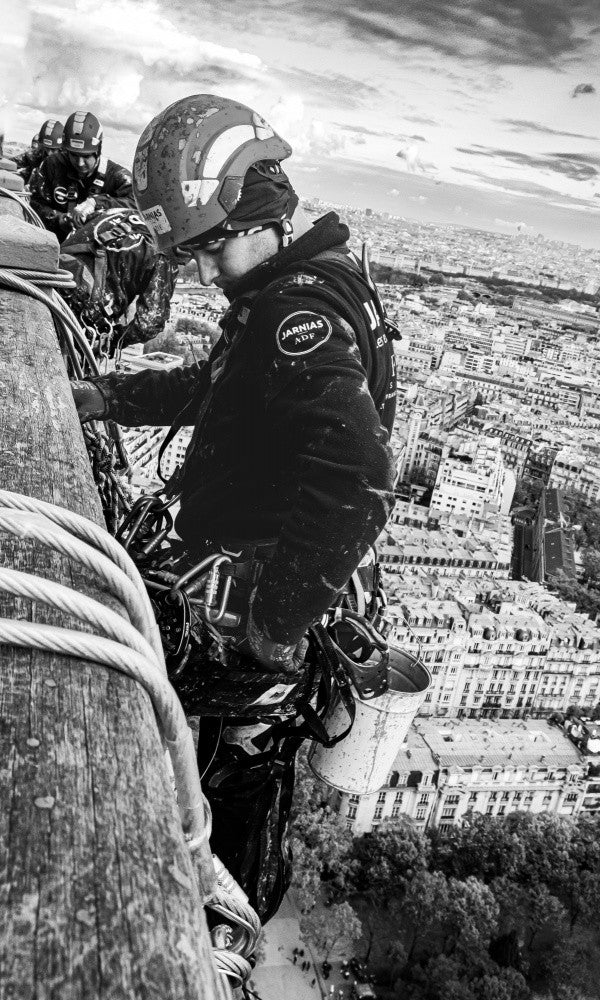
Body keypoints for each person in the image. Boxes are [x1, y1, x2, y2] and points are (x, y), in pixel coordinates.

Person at [70, 94, 397, 921]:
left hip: (250, 603)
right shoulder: (287, 295)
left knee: (208, 776)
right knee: (212, 773)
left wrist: (275, 620)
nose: (207, 273)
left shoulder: (295, 317)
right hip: (256, 583)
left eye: (214, 248)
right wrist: (106, 397)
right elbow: (210, 390)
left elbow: (357, 472)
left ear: (259, 218)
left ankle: (212, 933)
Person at [59, 207, 177, 353]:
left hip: (54, 274)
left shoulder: (122, 212)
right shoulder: (164, 254)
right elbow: (149, 324)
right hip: (77, 313)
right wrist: (113, 340)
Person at [30, 111, 134, 241]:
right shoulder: (52, 165)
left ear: (98, 150)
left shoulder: (117, 176)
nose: (80, 163)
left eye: (86, 156)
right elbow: (35, 201)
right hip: (52, 241)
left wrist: (98, 202)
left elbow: (138, 205)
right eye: (74, 155)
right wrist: (58, 219)